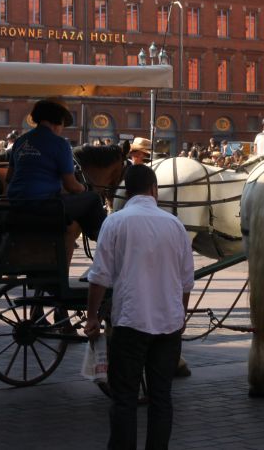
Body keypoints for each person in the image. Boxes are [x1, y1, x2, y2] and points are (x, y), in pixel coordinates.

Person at [84, 165, 194, 450]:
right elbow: (186, 282)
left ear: (127, 191)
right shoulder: (175, 225)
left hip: (130, 322)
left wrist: (93, 316)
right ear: (154, 189)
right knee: (161, 398)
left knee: (125, 398)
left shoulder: (116, 222)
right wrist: (180, 315)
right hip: (169, 326)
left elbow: (100, 276)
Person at [5, 99, 107, 260]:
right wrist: (84, 188)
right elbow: (71, 186)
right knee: (93, 199)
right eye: (63, 124)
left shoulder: (20, 141)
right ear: (58, 121)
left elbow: (9, 177)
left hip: (15, 203)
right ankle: (108, 245)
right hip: (43, 206)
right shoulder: (59, 144)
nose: (62, 129)